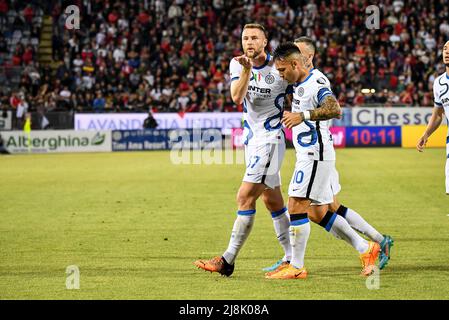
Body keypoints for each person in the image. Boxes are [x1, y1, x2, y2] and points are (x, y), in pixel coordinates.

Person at [263, 37, 394, 273]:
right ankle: (367, 247)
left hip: (315, 155)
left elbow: (334, 109)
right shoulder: (298, 83)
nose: (281, 75)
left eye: (283, 70)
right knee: (318, 211)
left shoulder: (316, 81)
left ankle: (296, 266)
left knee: (296, 205)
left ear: (299, 62)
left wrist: (301, 116)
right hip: (309, 154)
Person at [194, 24, 291, 276]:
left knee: (244, 196)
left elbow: (297, 92)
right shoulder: (237, 64)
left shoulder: (279, 67)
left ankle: (227, 261)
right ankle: (291, 258)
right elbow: (237, 97)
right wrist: (247, 70)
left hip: (270, 141)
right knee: (272, 200)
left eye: (254, 38)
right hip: (252, 141)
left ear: (265, 41)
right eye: (245, 38)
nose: (249, 42)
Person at [417, 40, 449, 195]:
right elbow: (437, 114)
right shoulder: (439, 83)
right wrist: (426, 134)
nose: (447, 52)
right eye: (445, 48)